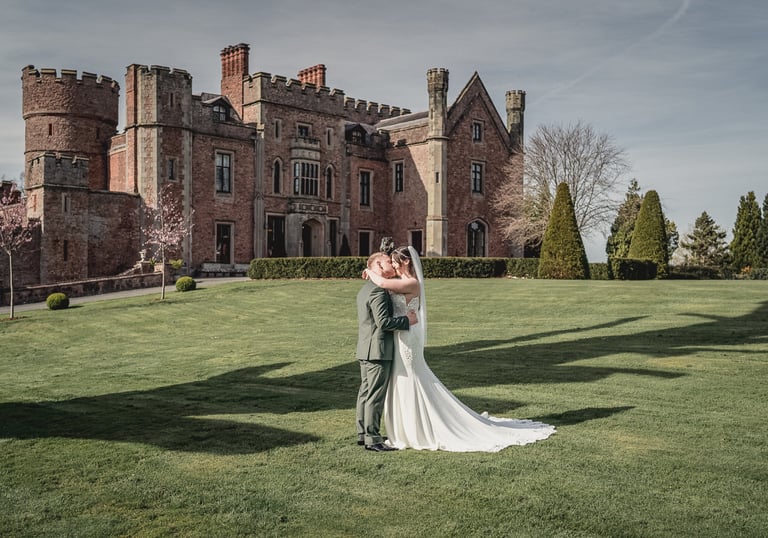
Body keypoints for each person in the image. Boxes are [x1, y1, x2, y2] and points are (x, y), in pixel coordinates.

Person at [364, 246, 556, 452]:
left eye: (395, 261)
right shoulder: (400, 282)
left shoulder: (411, 283)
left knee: (411, 376)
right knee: (402, 377)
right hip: (402, 332)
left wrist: (369, 271)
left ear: (406, 261)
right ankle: (406, 429)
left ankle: (418, 429)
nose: (393, 265)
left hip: (408, 336)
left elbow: (382, 283)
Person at [356, 251, 418, 452]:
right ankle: (373, 439)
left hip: (366, 348)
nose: (391, 263)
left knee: (365, 393)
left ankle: (363, 434)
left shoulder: (366, 288)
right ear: (379, 266)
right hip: (378, 349)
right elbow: (383, 322)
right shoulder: (378, 291)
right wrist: (406, 320)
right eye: (387, 261)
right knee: (375, 395)